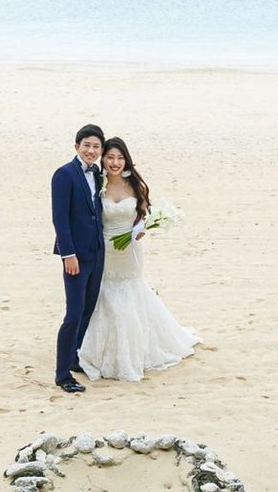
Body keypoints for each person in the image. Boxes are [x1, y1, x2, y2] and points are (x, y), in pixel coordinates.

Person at [76, 135, 198, 382]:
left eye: (120, 158)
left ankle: (135, 349)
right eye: (110, 157)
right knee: (106, 295)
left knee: (131, 292)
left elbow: (143, 213)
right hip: (105, 250)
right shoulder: (97, 184)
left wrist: (141, 228)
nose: (115, 163)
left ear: (126, 161)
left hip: (129, 252)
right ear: (103, 159)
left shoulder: (135, 186)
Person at [49, 124, 107, 393]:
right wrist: (67, 254)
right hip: (75, 257)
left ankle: (74, 357)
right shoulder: (64, 174)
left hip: (97, 253)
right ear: (76, 146)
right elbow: (60, 219)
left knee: (88, 309)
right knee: (73, 314)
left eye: (96, 147)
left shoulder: (98, 175)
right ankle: (62, 375)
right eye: (87, 145)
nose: (91, 151)